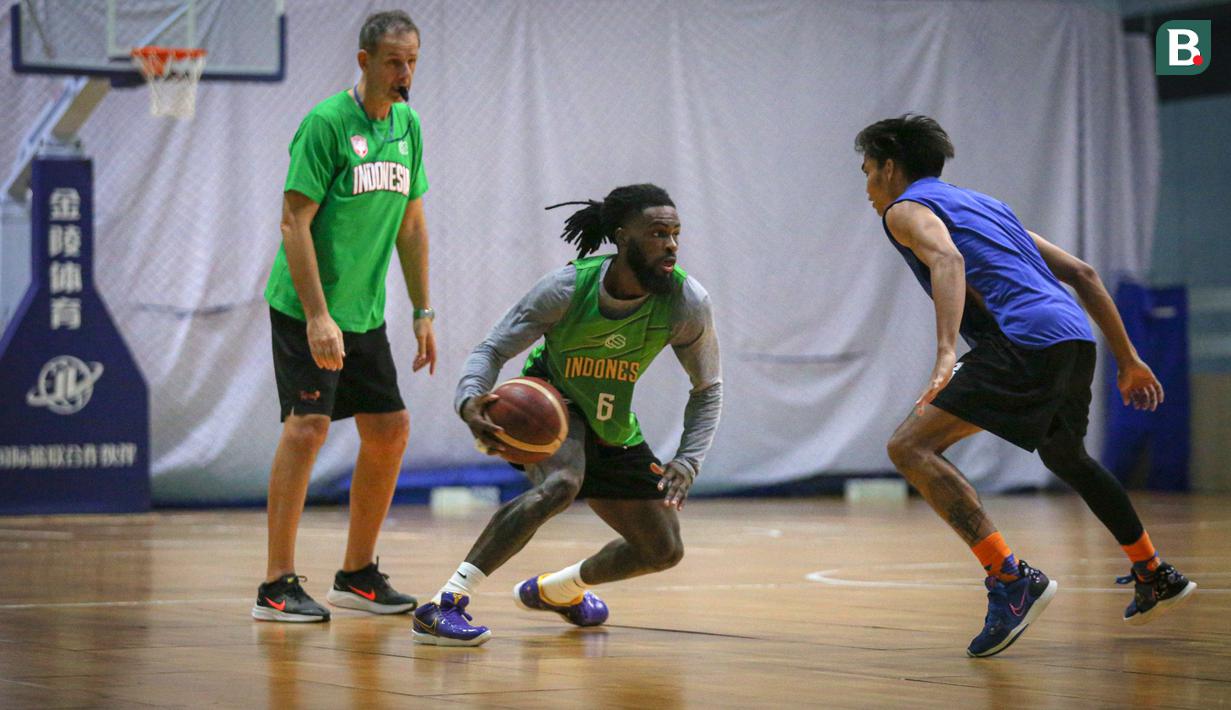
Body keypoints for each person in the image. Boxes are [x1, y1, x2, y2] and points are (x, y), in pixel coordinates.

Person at [855, 114, 1196, 657]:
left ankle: (1011, 578)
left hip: (1023, 339)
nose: (869, 188)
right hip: (1073, 337)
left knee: (910, 447)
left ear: (890, 168)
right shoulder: (988, 206)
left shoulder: (904, 209)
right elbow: (1083, 274)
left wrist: (945, 353)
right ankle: (1153, 571)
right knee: (1066, 456)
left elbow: (947, 258)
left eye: (869, 172)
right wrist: (1128, 358)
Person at [411, 184, 722, 646]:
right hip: (552, 405)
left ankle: (558, 590)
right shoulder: (568, 288)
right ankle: (443, 604)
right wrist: (470, 398)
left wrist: (689, 459)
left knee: (663, 549)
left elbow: (707, 388)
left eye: (676, 233)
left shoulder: (685, 301)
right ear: (623, 237)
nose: (671, 245)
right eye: (658, 234)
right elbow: (492, 349)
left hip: (612, 421)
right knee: (562, 484)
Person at [252, 10, 435, 622]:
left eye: (412, 61)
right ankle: (276, 585)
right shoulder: (327, 124)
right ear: (365, 61)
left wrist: (422, 310)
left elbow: (412, 225)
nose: (404, 73)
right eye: (394, 62)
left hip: (363, 311)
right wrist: (316, 317)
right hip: (306, 307)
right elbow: (293, 222)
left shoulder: (407, 125)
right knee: (308, 427)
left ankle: (357, 575)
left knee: (390, 428)